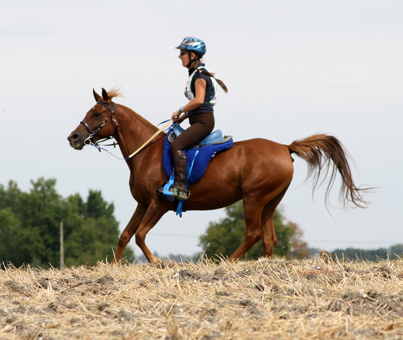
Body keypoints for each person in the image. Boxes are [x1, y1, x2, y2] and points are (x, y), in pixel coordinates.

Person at [169, 37, 228, 200]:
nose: (179, 56)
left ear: (192, 56)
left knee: (176, 145)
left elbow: (199, 100)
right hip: (199, 118)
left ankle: (180, 188)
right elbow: (200, 104)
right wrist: (184, 116)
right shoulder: (196, 74)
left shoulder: (199, 75)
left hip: (203, 122)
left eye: (182, 53)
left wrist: (180, 109)